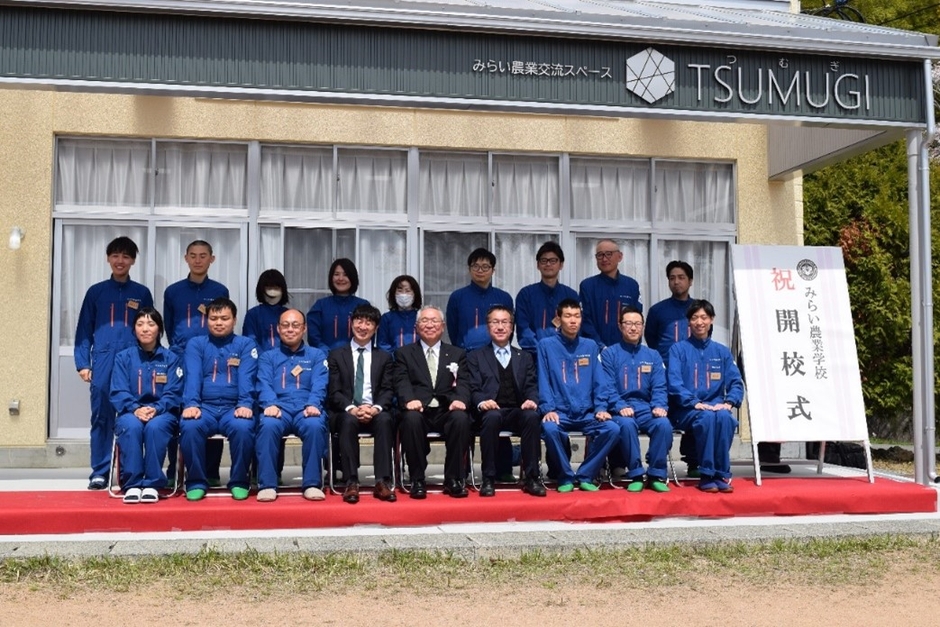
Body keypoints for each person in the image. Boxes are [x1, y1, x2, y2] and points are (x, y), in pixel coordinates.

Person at [75, 236, 154, 490]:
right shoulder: (96, 292)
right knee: (102, 416)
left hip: (134, 361)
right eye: (116, 255)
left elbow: (150, 329)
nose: (120, 261)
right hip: (103, 361)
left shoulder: (141, 293)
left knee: (134, 416)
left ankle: (132, 472)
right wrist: (83, 363)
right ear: (108, 258)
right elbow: (84, 329)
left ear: (133, 261)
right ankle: (100, 472)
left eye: (126, 256)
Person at [163, 240, 230, 487]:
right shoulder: (173, 291)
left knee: (213, 408)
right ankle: (175, 469)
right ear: (186, 258)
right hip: (181, 358)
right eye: (193, 255)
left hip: (213, 358)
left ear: (212, 259)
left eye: (203, 255)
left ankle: (211, 471)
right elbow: (169, 326)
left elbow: (222, 322)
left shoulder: (220, 290)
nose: (198, 260)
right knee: (179, 412)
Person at [179, 298, 258, 501]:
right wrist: (192, 404)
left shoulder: (245, 344)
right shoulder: (196, 344)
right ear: (207, 320)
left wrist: (245, 403)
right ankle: (196, 481)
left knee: (243, 427)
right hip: (205, 407)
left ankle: (239, 480)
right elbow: (193, 376)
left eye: (224, 318)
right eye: (214, 318)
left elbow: (247, 377)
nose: (219, 323)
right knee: (189, 426)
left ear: (234, 320)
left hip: (233, 408)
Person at [537, 298, 619, 492]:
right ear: (559, 319)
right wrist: (548, 409)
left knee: (612, 429)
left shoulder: (590, 346)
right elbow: (543, 379)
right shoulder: (546, 345)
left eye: (577, 316)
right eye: (568, 316)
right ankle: (565, 476)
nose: (573, 321)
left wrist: (601, 407)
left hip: (587, 414)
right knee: (550, 429)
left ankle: (586, 474)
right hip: (560, 412)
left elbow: (599, 381)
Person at [392, 306, 473, 499]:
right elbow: (401, 381)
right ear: (416, 327)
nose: (429, 325)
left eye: (434, 321)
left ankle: (453, 478)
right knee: (411, 420)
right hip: (419, 408)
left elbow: (464, 382)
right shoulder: (404, 353)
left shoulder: (457, 353)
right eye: (424, 321)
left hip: (446, 408)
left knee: (461, 419)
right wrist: (409, 400)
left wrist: (460, 399)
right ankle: (417, 479)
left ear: (442, 326)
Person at [466, 305, 545, 497]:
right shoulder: (476, 356)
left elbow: (532, 386)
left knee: (531, 417)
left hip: (517, 410)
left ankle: (532, 477)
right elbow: (473, 387)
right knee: (492, 417)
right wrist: (482, 402)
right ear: (488, 327)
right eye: (495, 322)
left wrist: (531, 400)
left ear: (512, 327)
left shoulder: (524, 357)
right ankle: (488, 478)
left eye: (505, 322)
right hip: (489, 411)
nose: (500, 327)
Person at [667, 299, 744, 493]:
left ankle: (721, 474)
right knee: (707, 417)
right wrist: (695, 403)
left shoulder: (722, 351)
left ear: (712, 319)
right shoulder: (678, 349)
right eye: (694, 318)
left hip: (716, 407)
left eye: (704, 317)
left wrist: (729, 402)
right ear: (689, 321)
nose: (699, 322)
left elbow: (736, 382)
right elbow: (674, 383)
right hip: (686, 409)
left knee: (726, 418)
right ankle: (707, 474)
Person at [255, 309, 330, 502]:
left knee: (315, 425)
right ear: (278, 329)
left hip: (306, 407)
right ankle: (267, 484)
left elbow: (320, 383)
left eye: (295, 325)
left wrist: (314, 403)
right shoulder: (267, 357)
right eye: (285, 325)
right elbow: (263, 382)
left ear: (304, 329)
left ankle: (312, 483)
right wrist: (270, 404)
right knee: (268, 425)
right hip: (279, 407)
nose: (290, 329)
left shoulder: (317, 355)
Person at [109, 307, 182, 504]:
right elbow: (118, 390)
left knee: (155, 427)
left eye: (151, 324)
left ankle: (152, 483)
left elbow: (174, 392)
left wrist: (157, 408)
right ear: (134, 329)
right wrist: (135, 408)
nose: (145, 329)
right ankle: (132, 484)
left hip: (162, 412)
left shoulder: (171, 359)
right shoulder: (123, 358)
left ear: (159, 329)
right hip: (130, 411)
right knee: (131, 427)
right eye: (140, 324)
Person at [327, 304, 397, 504]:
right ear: (351, 324)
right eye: (359, 321)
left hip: (374, 410)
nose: (363, 327)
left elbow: (387, 390)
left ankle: (382, 481)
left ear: (376, 328)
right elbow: (334, 391)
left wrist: (374, 408)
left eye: (369, 323)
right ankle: (351, 481)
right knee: (348, 421)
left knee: (385, 420)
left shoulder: (384, 357)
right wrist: (352, 408)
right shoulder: (336, 355)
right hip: (346, 410)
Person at [601, 306, 672, 493]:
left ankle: (656, 473)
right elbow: (607, 387)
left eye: (637, 324)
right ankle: (636, 473)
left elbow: (660, 386)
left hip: (646, 408)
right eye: (628, 323)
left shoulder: (653, 355)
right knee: (626, 424)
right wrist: (619, 405)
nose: (633, 328)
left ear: (643, 327)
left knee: (663, 424)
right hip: (619, 409)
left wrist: (659, 405)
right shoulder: (609, 354)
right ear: (620, 326)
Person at [644, 260, 698, 477]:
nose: (676, 282)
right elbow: (651, 339)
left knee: (693, 413)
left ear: (690, 281)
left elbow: (704, 336)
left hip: (692, 374)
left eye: (681, 277)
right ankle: (657, 461)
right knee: (662, 417)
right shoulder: (658, 310)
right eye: (672, 278)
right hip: (664, 376)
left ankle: (694, 462)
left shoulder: (698, 309)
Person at [515, 241, 580, 356]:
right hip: (534, 358)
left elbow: (576, 327)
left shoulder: (571, 295)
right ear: (538, 265)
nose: (548, 264)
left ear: (561, 265)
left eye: (553, 260)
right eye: (544, 260)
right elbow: (524, 330)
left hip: (565, 356)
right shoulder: (526, 295)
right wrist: (543, 352)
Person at [446, 248, 514, 352]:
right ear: (469, 269)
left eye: (485, 267)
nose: (480, 270)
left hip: (496, 354)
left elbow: (509, 328)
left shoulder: (504, 298)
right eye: (475, 266)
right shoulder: (457, 297)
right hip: (467, 355)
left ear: (493, 271)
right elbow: (453, 330)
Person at [579, 239, 642, 349]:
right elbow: (585, 320)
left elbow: (637, 319)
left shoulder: (631, 285)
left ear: (620, 256)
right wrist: (600, 347)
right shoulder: (588, 286)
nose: (604, 259)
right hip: (596, 350)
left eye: (609, 254)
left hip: (626, 350)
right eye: (600, 255)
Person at [306, 258, 369, 352]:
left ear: (353, 278)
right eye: (336, 274)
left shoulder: (363, 305)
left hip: (356, 356)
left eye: (345, 275)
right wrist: (328, 354)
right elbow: (314, 337)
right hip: (326, 357)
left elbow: (368, 334)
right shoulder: (320, 306)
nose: (340, 278)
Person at [242, 269, 290, 353]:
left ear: (283, 290)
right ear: (261, 290)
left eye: (276, 288)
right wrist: (265, 357)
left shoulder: (289, 314)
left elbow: (294, 340)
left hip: (286, 357)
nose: (272, 292)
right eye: (269, 288)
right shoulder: (253, 314)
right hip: (259, 358)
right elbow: (250, 341)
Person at [377, 275, 421, 354]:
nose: (404, 294)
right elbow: (382, 344)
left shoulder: (421, 316)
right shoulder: (387, 318)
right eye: (400, 291)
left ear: (415, 294)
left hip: (418, 360)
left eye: (408, 291)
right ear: (393, 294)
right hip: (394, 360)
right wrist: (395, 358)